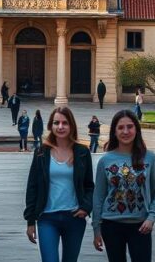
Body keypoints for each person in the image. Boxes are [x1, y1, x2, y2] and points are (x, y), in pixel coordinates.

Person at [92, 110, 155, 262]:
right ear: (114, 131)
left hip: (141, 225)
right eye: (121, 127)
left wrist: (151, 218)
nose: (126, 131)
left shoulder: (150, 158)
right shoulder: (105, 160)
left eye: (130, 127)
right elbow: (98, 197)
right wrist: (96, 229)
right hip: (111, 225)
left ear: (136, 130)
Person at [25, 106, 94, 262]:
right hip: (47, 218)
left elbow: (89, 185)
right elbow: (32, 187)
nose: (61, 127)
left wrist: (86, 207)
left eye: (65, 123)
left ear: (71, 126)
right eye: (56, 123)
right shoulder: (41, 152)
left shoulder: (82, 152)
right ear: (50, 126)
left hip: (74, 218)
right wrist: (30, 221)